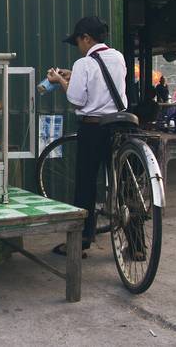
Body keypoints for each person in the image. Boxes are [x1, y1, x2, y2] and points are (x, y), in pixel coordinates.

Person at [47, 16, 127, 258]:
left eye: (78, 41)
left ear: (86, 38)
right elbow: (103, 84)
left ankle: (81, 242)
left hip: (93, 128)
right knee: (122, 182)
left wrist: (60, 79)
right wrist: (75, 75)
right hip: (120, 126)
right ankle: (136, 245)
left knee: (86, 184)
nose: (78, 47)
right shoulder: (118, 57)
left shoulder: (84, 63)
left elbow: (77, 99)